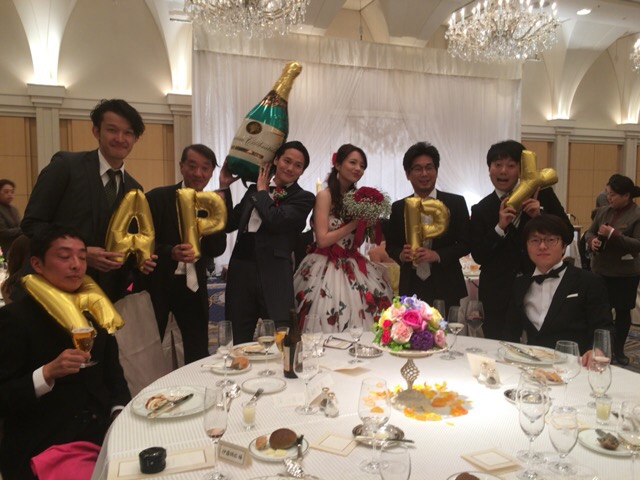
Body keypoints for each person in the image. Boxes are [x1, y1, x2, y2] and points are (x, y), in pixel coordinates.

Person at [0, 224, 131, 480]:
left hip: (103, 434)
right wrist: (46, 374)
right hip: (47, 443)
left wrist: (118, 415)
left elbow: (115, 378)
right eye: (64, 256)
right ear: (37, 264)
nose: (76, 265)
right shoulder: (15, 319)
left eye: (82, 257)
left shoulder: (94, 310)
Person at [21, 99, 156, 302]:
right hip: (54, 290)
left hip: (105, 296)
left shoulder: (134, 189)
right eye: (112, 130)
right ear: (96, 131)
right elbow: (32, 224)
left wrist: (139, 261)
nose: (120, 138)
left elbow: (124, 244)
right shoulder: (66, 167)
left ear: (135, 138)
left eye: (128, 133)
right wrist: (81, 253)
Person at [470, 140, 573, 340]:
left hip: (538, 286)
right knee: (497, 346)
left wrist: (540, 216)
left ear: (520, 170)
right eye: (497, 165)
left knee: (542, 344)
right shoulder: (481, 209)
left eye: (511, 165)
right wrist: (500, 227)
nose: (503, 171)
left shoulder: (542, 195)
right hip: (497, 292)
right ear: (489, 170)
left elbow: (567, 234)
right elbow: (479, 255)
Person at [293, 144, 392, 331]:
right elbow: (322, 239)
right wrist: (355, 224)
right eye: (353, 162)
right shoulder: (325, 195)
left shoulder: (357, 199)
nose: (358, 168)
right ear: (338, 165)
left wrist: (368, 224)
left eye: (362, 165)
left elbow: (359, 240)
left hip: (352, 262)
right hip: (324, 264)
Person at [224, 141, 315, 343]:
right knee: (238, 337)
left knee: (280, 338)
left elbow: (276, 220)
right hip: (241, 270)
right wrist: (224, 186)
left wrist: (262, 192)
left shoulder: (304, 198)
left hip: (275, 275)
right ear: (276, 160)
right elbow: (229, 222)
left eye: (297, 165)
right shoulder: (253, 190)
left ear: (302, 172)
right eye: (286, 161)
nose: (290, 168)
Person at [145, 144, 228, 364]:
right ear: (181, 166)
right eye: (192, 166)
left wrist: (219, 211)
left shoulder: (212, 203)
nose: (198, 173)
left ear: (211, 172)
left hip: (193, 286)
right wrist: (169, 252)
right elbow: (142, 240)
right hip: (159, 282)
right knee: (150, 344)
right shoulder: (157, 198)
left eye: (205, 168)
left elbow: (217, 249)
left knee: (197, 346)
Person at [504, 215, 613, 354]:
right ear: (526, 246)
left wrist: (597, 351)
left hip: (575, 362)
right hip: (533, 362)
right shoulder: (520, 284)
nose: (542, 246)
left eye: (551, 240)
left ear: (564, 246)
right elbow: (510, 331)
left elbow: (604, 328)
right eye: (535, 240)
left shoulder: (588, 281)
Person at [385, 142, 471, 309]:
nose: (424, 173)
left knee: (447, 326)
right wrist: (401, 254)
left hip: (447, 283)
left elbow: (466, 243)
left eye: (429, 168)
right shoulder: (399, 207)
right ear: (408, 174)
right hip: (411, 284)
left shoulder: (456, 203)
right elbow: (391, 245)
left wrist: (437, 255)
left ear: (436, 171)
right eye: (417, 169)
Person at [585, 174, 640, 365]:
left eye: (613, 195)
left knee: (623, 312)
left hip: (625, 273)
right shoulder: (603, 211)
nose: (609, 198)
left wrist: (614, 234)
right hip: (601, 270)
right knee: (601, 312)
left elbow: (637, 244)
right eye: (607, 193)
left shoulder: (637, 215)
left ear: (626, 195)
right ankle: (600, 347)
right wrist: (592, 241)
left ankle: (618, 350)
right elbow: (589, 232)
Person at [0, 179, 22, 260]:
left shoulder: (13, 209)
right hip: (3, 249)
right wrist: (22, 230)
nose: (10, 194)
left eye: (12, 192)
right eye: (6, 192)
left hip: (16, 247)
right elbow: (2, 232)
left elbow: (20, 225)